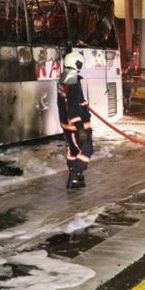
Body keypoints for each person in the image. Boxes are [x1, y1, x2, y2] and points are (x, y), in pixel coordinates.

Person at [58, 51, 93, 189]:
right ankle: (75, 174)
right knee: (86, 150)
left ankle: (75, 178)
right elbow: (72, 106)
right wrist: (80, 127)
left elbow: (65, 103)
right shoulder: (72, 80)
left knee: (73, 151)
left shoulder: (65, 78)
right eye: (80, 63)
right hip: (76, 125)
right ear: (76, 63)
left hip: (68, 124)